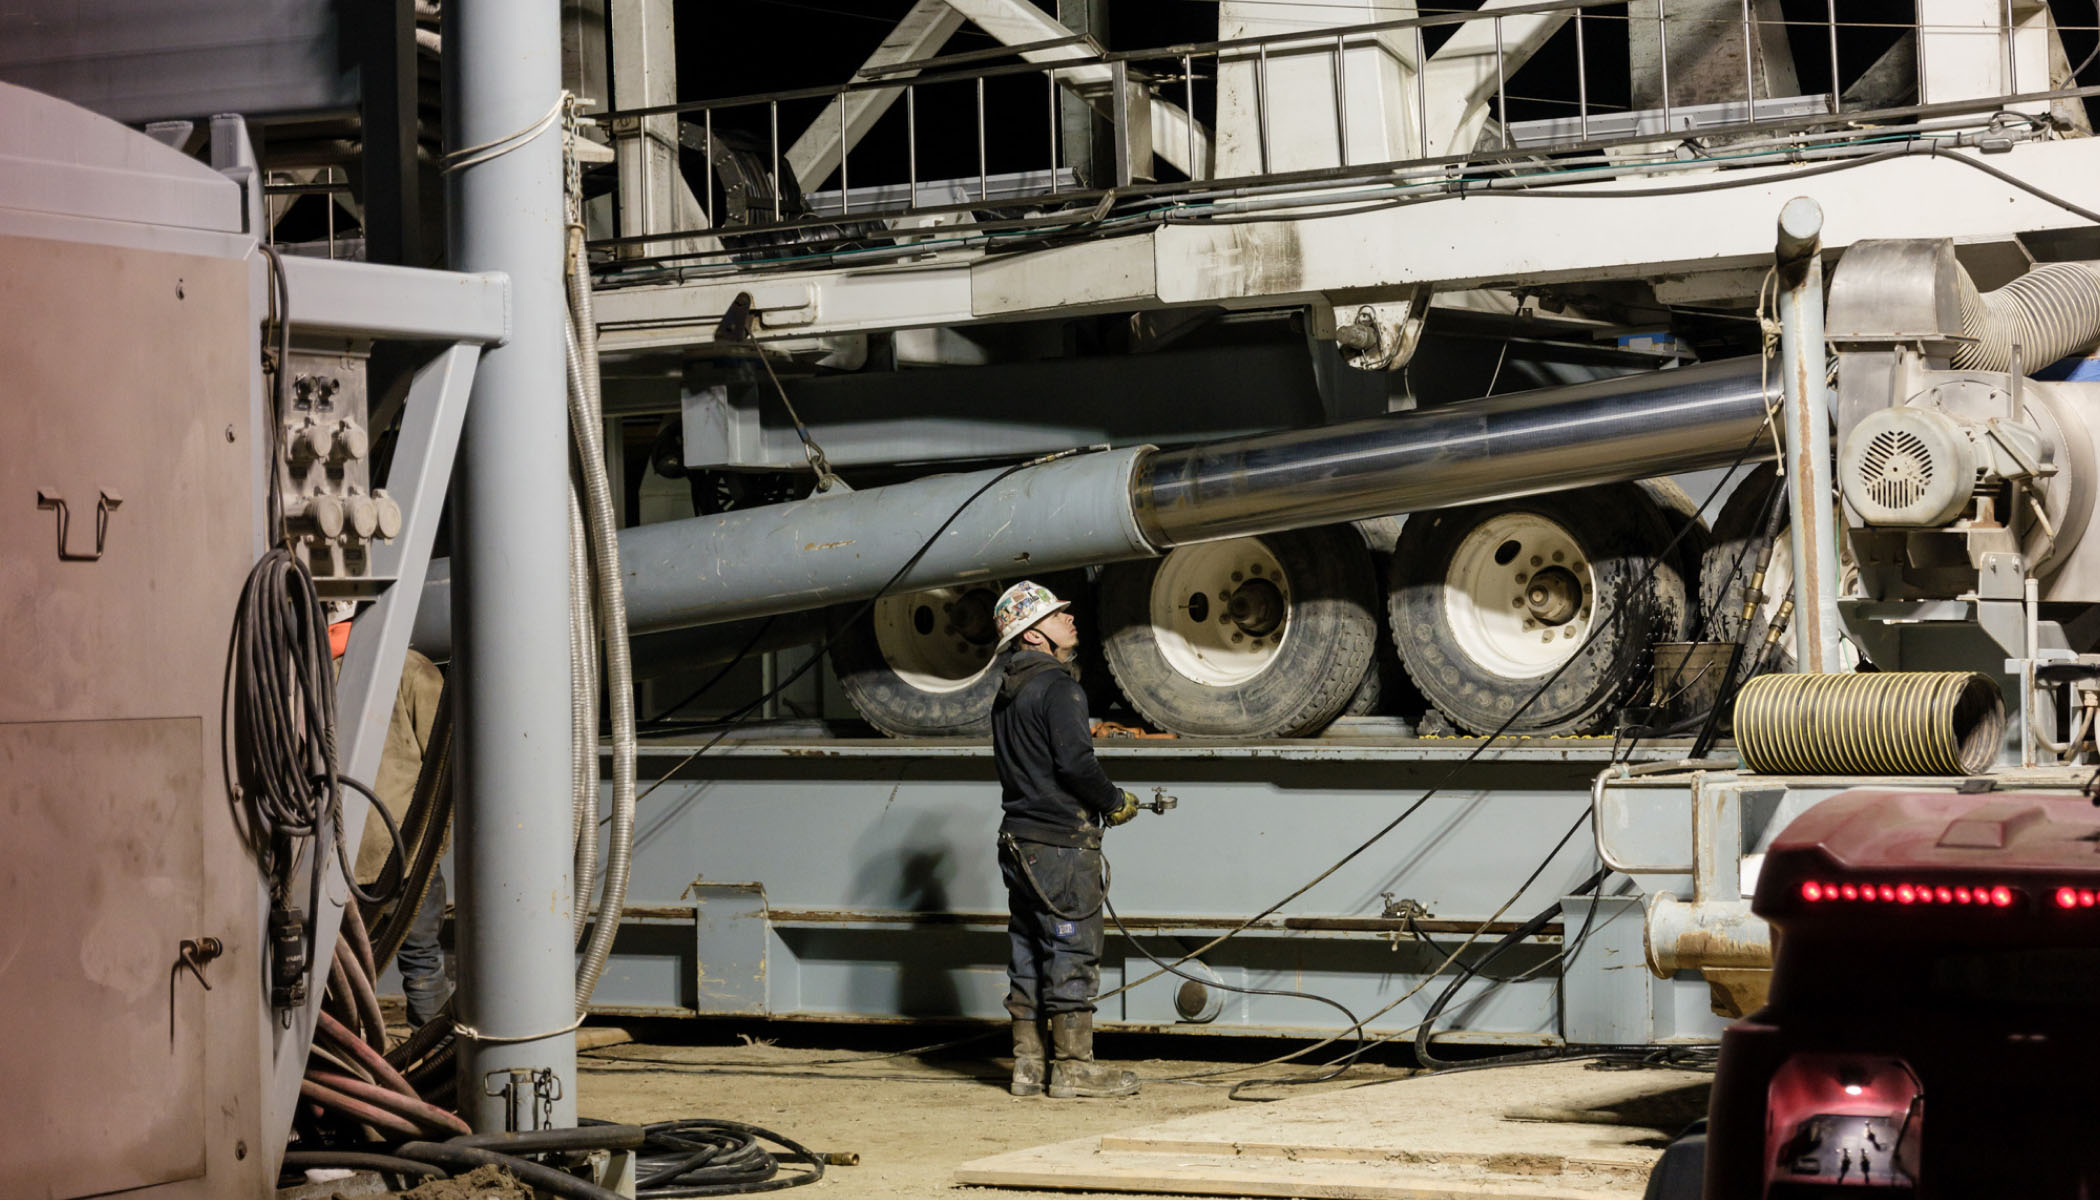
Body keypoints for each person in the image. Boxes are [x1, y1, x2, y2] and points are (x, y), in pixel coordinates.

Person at [988, 581, 1141, 1099]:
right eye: (1056, 616)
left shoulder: (1007, 695)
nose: (1069, 619)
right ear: (1033, 635)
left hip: (1018, 841)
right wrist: (1113, 801)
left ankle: (1028, 1067)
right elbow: (1076, 764)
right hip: (1060, 846)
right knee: (1072, 949)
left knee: (1029, 950)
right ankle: (1074, 1067)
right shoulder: (1059, 688)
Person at [333, 618, 452, 1028]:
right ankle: (434, 1054)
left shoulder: (299, 676)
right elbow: (445, 761)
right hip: (405, 849)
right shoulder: (411, 669)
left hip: (336, 856)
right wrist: (437, 842)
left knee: (339, 976)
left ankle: (345, 1057)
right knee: (422, 963)